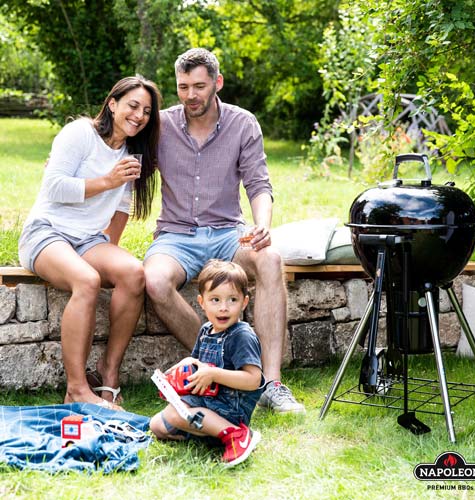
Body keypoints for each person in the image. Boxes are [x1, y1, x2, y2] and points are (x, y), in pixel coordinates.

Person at [144, 47, 304, 413]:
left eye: (199, 86)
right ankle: (215, 368)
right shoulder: (162, 125)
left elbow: (259, 185)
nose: (190, 96)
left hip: (227, 232)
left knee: (270, 259)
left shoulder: (242, 123)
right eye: (183, 87)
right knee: (153, 280)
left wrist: (261, 225)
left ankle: (270, 383)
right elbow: (123, 157)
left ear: (217, 82)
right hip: (175, 235)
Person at [18, 75, 162, 409]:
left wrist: (108, 247)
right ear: (112, 104)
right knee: (86, 279)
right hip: (46, 231)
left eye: (146, 111)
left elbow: (123, 208)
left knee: (133, 273)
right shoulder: (79, 133)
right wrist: (106, 180)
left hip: (88, 240)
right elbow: (53, 186)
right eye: (133, 106)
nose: (139, 115)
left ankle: (108, 375)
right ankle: (77, 389)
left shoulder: (133, 152)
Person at [150, 260, 264, 467]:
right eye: (215, 300)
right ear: (202, 302)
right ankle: (211, 434)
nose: (223, 308)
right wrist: (188, 363)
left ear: (244, 303)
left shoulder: (242, 336)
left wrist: (214, 375)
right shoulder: (206, 330)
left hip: (230, 409)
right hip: (208, 402)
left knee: (176, 415)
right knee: (156, 425)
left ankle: (236, 435)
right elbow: (199, 364)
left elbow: (253, 380)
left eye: (232, 300)